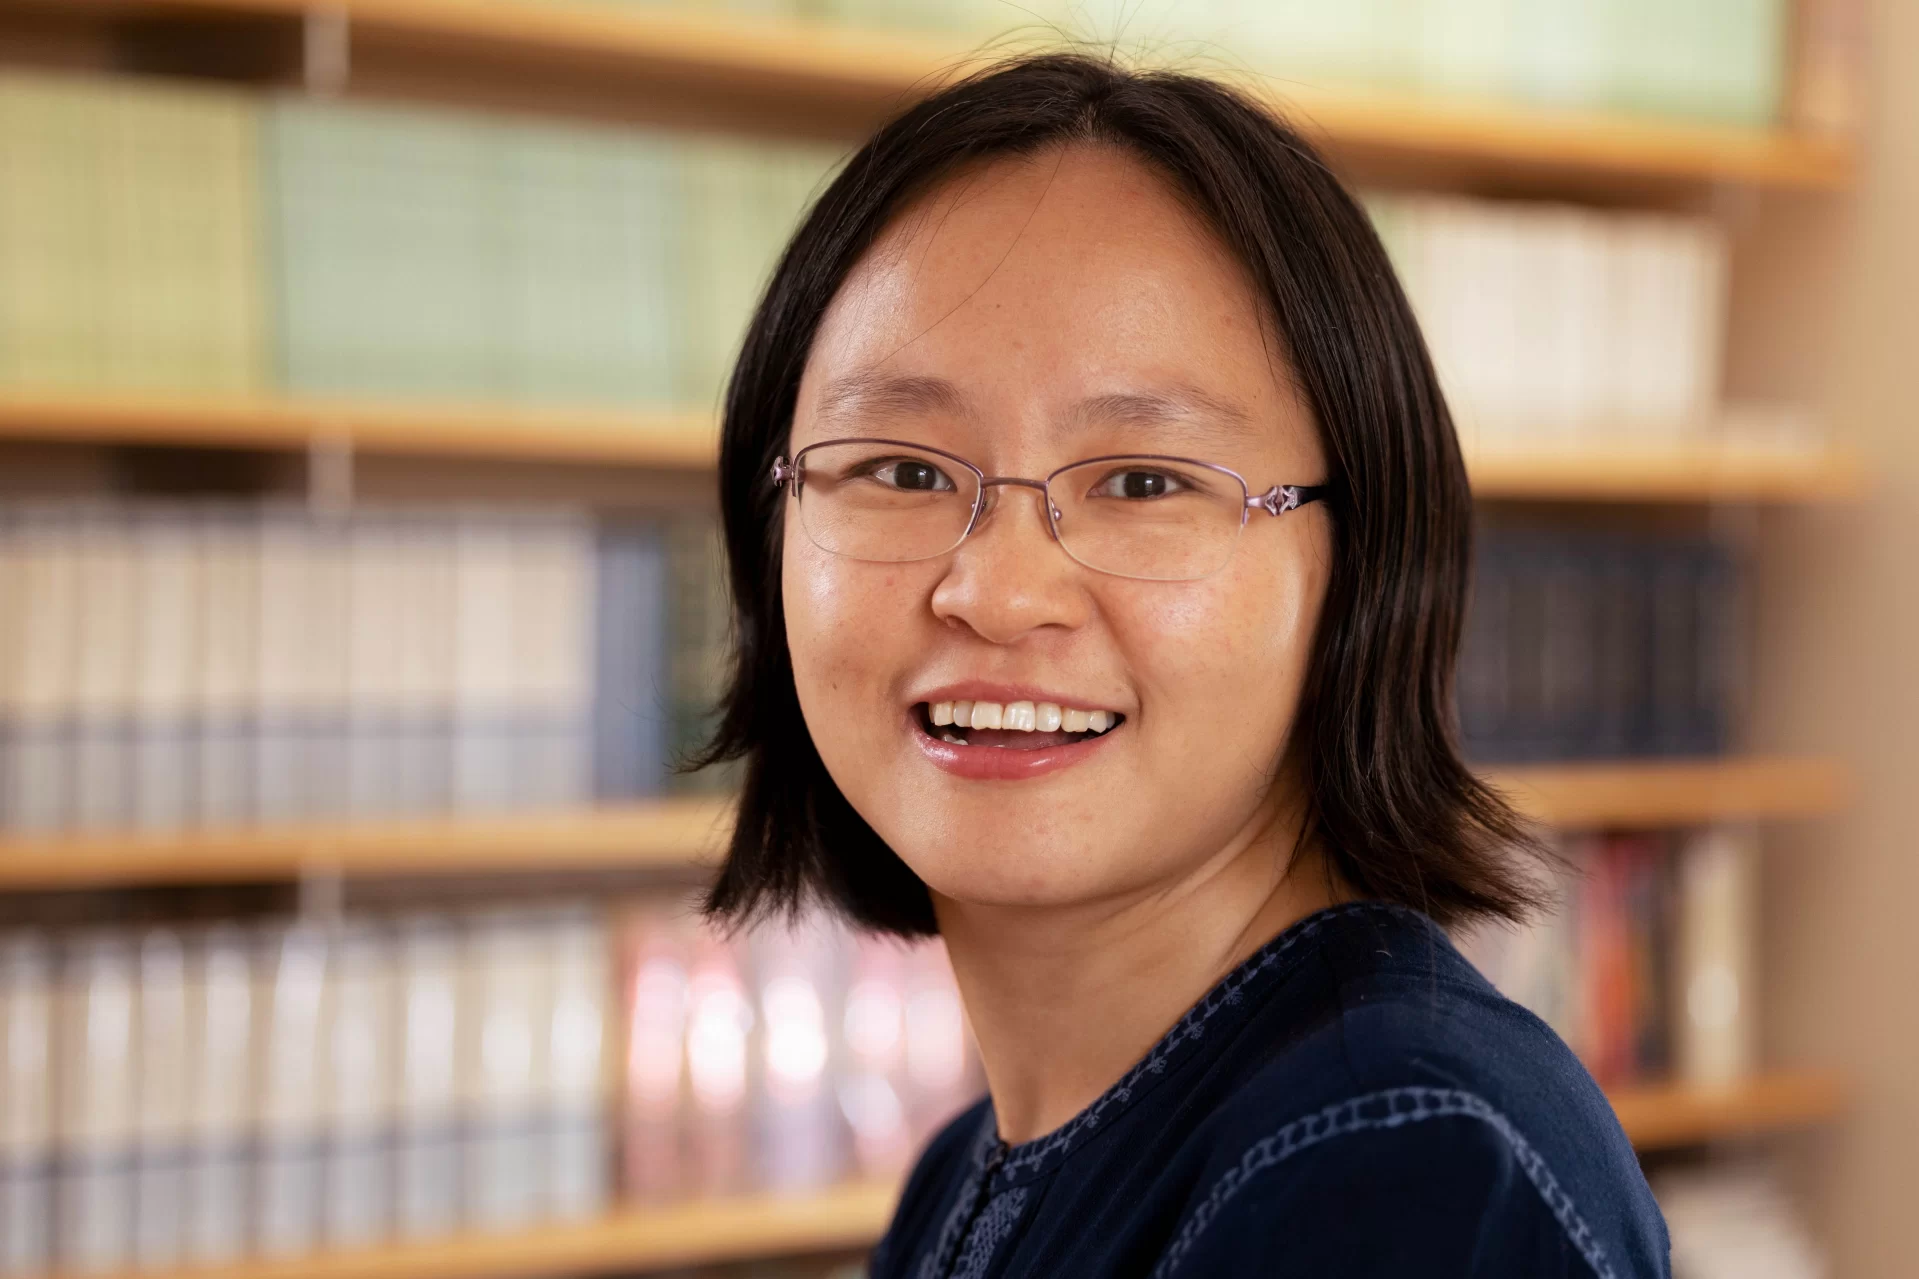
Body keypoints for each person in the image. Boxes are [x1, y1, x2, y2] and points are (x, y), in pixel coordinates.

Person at [690, 51, 1670, 1279]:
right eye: (900, 471)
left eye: (1143, 483)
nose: (994, 591)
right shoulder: (967, 1173)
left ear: (1358, 561)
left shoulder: (1398, 1170)